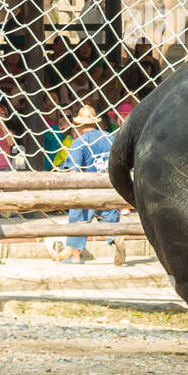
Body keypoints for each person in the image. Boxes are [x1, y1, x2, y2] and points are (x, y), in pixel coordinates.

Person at [57, 105, 123, 265]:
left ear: (79, 124)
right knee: (109, 219)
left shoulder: (80, 142)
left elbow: (74, 170)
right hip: (109, 187)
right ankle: (116, 239)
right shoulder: (109, 137)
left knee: (78, 219)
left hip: (88, 189)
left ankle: (75, 256)